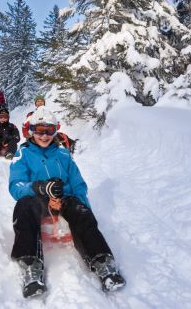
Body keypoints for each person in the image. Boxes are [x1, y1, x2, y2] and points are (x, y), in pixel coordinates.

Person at [8, 106, 125, 298]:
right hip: (37, 200)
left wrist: (83, 208)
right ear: (31, 131)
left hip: (63, 199)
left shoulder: (63, 155)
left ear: (56, 131)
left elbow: (78, 184)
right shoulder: (23, 154)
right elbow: (16, 186)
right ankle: (31, 266)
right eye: (39, 130)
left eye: (49, 131)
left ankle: (102, 262)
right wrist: (38, 187)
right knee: (23, 207)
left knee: (80, 210)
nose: (44, 136)